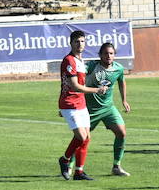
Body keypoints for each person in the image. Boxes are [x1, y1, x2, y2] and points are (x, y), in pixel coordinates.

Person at [56, 29, 110, 181]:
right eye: (77, 42)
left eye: (82, 41)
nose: (80, 44)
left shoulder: (81, 61)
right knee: (80, 136)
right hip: (69, 103)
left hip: (81, 103)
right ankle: (65, 160)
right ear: (71, 43)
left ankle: (79, 172)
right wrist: (97, 90)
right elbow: (74, 86)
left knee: (86, 138)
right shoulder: (69, 61)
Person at [86, 41, 132, 177]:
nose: (108, 56)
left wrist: (124, 100)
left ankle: (116, 166)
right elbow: (77, 81)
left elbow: (122, 82)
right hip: (90, 109)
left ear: (114, 56)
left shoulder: (118, 68)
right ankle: (69, 165)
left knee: (121, 132)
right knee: (82, 138)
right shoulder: (91, 66)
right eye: (105, 53)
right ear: (100, 55)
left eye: (111, 53)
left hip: (108, 108)